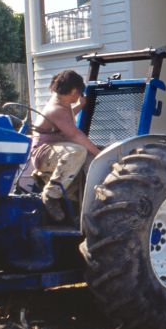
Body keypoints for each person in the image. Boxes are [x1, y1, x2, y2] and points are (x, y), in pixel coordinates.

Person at [30, 70, 101, 221]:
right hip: (43, 154)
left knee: (88, 157)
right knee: (78, 151)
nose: (79, 96)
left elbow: (66, 119)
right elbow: (75, 134)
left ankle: (88, 206)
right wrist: (99, 153)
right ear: (75, 90)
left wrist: (80, 106)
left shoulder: (63, 102)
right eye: (79, 93)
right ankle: (51, 195)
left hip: (54, 149)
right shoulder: (56, 108)